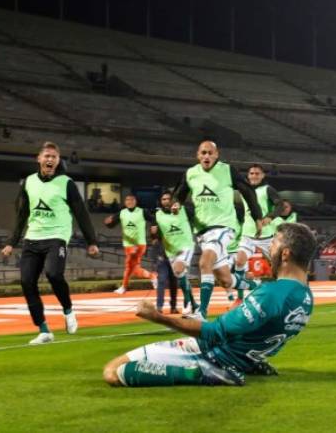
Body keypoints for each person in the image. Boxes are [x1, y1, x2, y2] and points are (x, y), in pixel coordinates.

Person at [102, 222, 317, 387]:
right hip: (243, 358)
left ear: (286, 253)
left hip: (213, 356)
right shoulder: (305, 297)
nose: (269, 250)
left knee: (113, 371)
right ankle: (251, 364)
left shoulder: (272, 293)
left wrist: (156, 316)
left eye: (273, 244)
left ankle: (199, 374)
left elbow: (214, 333)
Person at [2, 141, 99, 345]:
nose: (49, 159)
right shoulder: (28, 182)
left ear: (57, 161)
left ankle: (68, 310)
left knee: (54, 274)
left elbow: (81, 212)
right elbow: (22, 214)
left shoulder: (66, 183)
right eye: (46, 156)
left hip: (57, 236)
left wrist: (91, 241)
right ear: (38, 159)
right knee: (27, 283)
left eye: (53, 157)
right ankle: (44, 330)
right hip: (33, 237)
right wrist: (12, 241)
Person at [171, 141, 263, 319]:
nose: (206, 156)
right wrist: (177, 203)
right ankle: (257, 287)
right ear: (198, 155)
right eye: (203, 153)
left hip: (223, 227)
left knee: (205, 263)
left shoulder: (227, 170)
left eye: (210, 153)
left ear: (216, 154)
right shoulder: (191, 173)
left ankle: (201, 313)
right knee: (225, 280)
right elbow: (180, 192)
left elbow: (248, 192)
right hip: (202, 231)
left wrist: (257, 217)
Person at [233, 164, 283, 305]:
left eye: (257, 173)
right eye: (252, 173)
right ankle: (240, 297)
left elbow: (280, 205)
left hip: (267, 237)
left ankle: (282, 293)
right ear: (248, 175)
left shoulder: (267, 189)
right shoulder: (243, 190)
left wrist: (270, 217)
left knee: (278, 268)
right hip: (247, 234)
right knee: (239, 261)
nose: (254, 176)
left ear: (262, 175)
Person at [151, 190, 198, 315]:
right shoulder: (157, 215)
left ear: (173, 200)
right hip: (171, 251)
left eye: (168, 199)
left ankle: (187, 302)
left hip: (186, 247)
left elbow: (195, 214)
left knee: (178, 271)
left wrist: (182, 207)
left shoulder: (183, 209)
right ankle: (194, 304)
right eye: (163, 199)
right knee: (181, 276)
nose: (166, 201)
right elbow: (155, 235)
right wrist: (154, 234)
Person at [104, 194, 157, 294]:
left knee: (129, 265)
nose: (129, 201)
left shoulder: (142, 211)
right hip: (127, 245)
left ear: (135, 201)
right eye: (127, 200)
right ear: (125, 202)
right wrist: (108, 223)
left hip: (139, 244)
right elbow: (111, 224)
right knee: (134, 269)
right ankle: (152, 276)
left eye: (132, 200)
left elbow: (154, 219)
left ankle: (124, 287)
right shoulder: (122, 213)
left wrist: (154, 227)